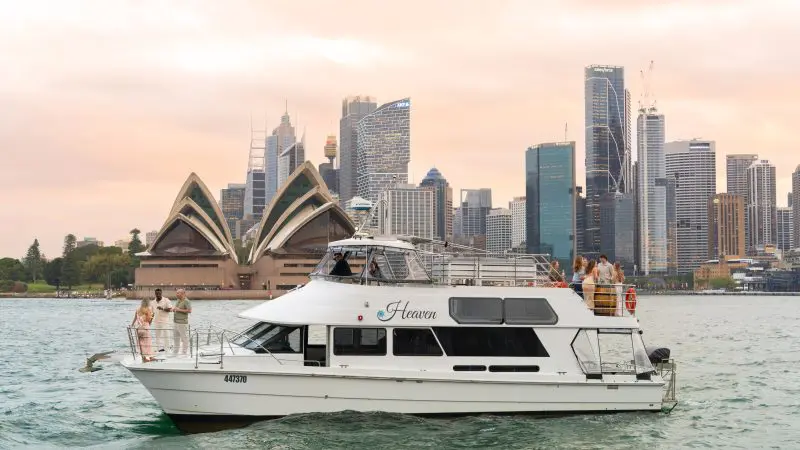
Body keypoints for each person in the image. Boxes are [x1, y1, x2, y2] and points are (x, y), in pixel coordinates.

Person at [131, 298, 154, 363]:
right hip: (145, 328)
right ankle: (150, 357)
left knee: (141, 343)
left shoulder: (138, 309)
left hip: (138, 328)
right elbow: (148, 320)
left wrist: (132, 325)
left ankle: (143, 357)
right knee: (148, 343)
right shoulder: (148, 310)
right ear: (148, 303)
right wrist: (152, 316)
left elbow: (135, 318)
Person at [172, 289, 192, 356]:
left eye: (178, 293)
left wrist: (179, 310)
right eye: (176, 293)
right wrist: (174, 309)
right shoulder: (178, 300)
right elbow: (177, 309)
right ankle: (175, 352)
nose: (176, 294)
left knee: (184, 339)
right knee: (176, 338)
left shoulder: (186, 301)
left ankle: (184, 353)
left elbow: (189, 311)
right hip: (175, 322)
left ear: (183, 294)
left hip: (182, 323)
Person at [151, 288, 172, 352]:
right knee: (157, 336)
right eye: (156, 294)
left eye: (159, 293)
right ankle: (159, 349)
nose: (158, 295)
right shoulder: (152, 302)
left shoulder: (166, 300)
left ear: (161, 293)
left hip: (165, 321)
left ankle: (167, 349)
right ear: (155, 294)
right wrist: (150, 321)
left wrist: (162, 308)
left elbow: (170, 309)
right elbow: (152, 313)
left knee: (166, 335)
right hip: (156, 321)